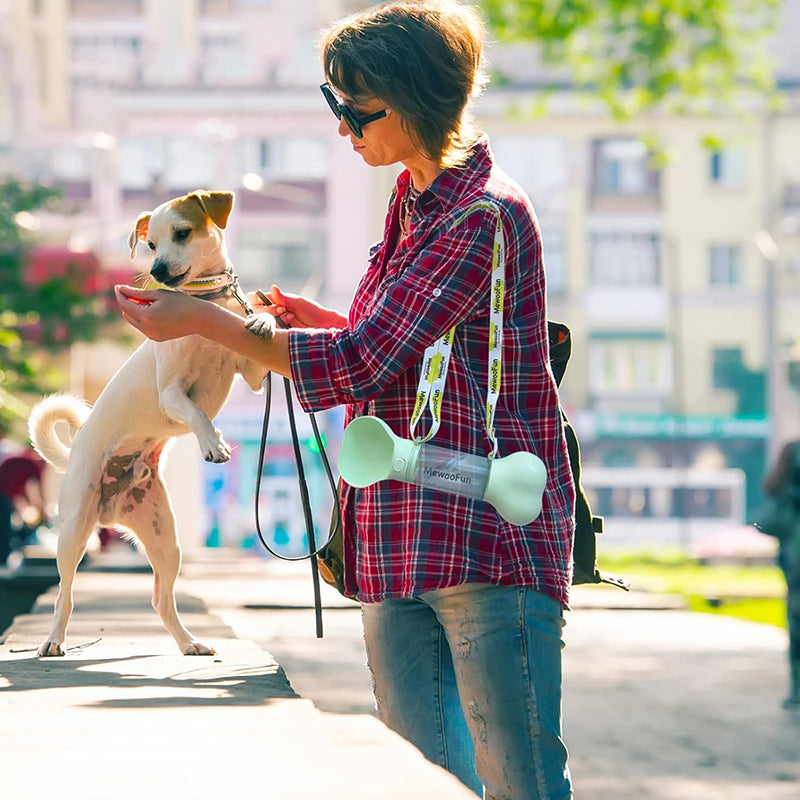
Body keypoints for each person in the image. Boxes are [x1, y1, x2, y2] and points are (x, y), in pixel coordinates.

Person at [115, 1, 576, 796]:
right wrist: (324, 324)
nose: (340, 129)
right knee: (421, 782)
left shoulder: (482, 215)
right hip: (398, 531)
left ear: (410, 98)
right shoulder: (410, 201)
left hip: (486, 537)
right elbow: (405, 346)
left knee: (520, 784)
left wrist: (208, 322)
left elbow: (364, 362)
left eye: (350, 109)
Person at [762, 440, 800, 710]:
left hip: (794, 546)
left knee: (796, 616)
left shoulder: (792, 450)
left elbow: (771, 486)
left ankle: (797, 687)